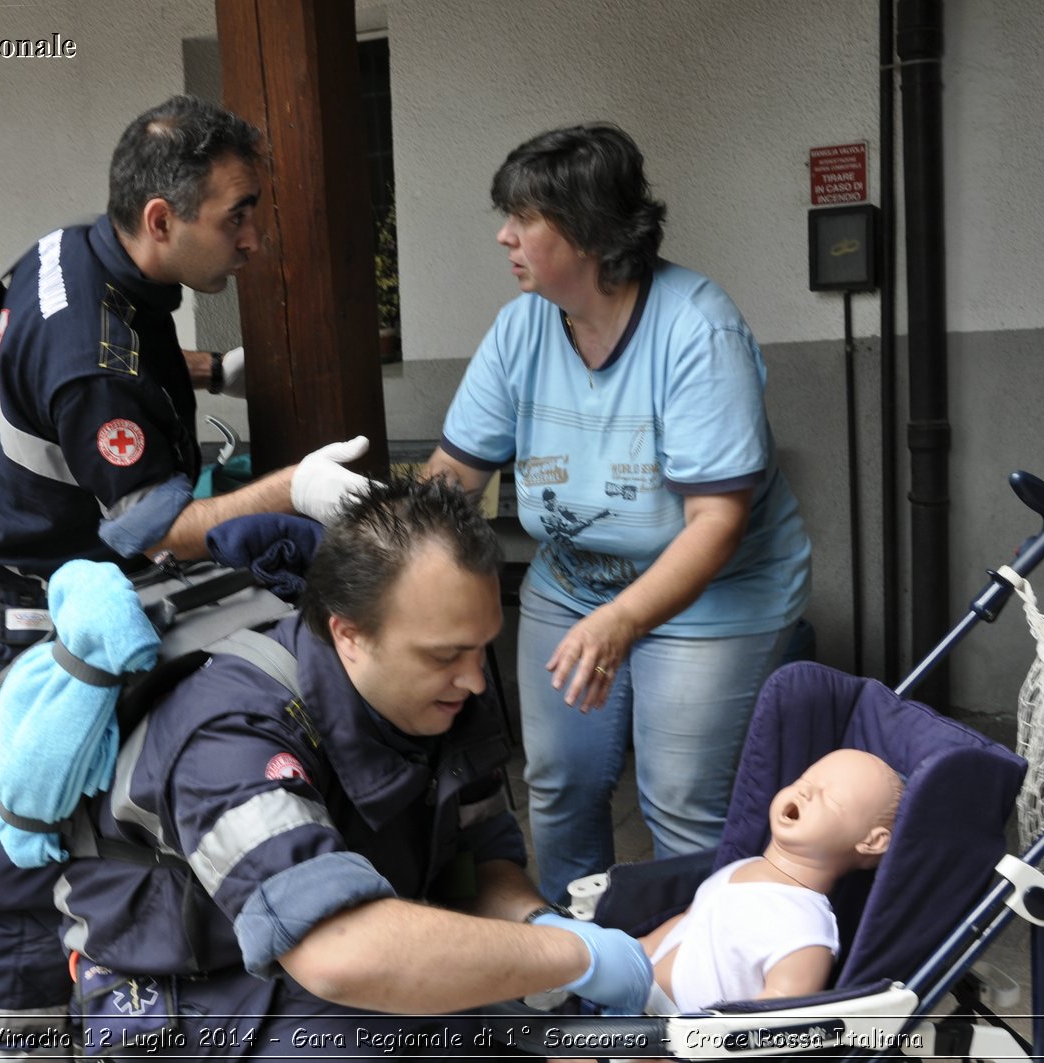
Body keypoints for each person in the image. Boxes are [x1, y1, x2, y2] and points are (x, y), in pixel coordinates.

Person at [0, 95, 373, 1058]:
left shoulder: (75, 253)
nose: (255, 238)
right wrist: (295, 490)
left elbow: (122, 362)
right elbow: (162, 528)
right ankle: (17, 1047)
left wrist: (215, 367)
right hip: (26, 621)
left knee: (97, 842)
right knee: (26, 852)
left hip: (57, 597)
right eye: (240, 215)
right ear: (160, 219)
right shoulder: (92, 361)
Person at [52, 477, 654, 1057]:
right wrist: (576, 958)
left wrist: (545, 931)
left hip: (337, 959)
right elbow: (337, 952)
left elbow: (476, 866)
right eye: (446, 655)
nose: (474, 680)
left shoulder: (446, 689)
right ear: (350, 636)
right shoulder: (231, 730)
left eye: (483, 647)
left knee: (525, 1022)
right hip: (187, 993)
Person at [426, 123, 813, 903]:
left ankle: (690, 978)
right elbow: (453, 477)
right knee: (560, 784)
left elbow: (715, 523)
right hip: (572, 582)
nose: (504, 235)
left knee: (681, 801)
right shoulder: (521, 328)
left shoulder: (696, 329)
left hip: (718, 594)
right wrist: (376, 556)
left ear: (591, 231)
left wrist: (625, 619)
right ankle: (580, 963)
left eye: (524, 217)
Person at [640, 748, 903, 1011]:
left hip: (678, 1039)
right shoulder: (744, 868)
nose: (805, 791)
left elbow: (775, 1016)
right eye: (805, 780)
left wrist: (689, 1044)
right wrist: (639, 949)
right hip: (636, 991)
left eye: (832, 798)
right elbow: (688, 923)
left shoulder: (807, 929)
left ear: (872, 841)